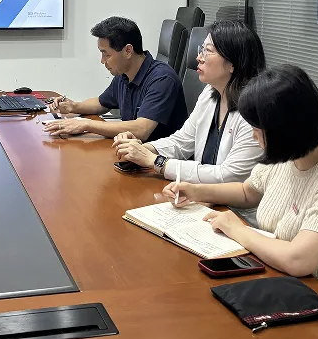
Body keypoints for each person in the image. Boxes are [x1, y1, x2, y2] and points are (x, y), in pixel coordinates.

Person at [161, 65, 318, 310]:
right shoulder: (288, 155)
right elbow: (248, 192)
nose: (253, 137)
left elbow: (298, 260)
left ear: (285, 129)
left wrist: (237, 229)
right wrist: (196, 191)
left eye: (257, 130)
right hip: (278, 282)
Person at [114, 20, 266, 223]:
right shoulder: (211, 93)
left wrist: (157, 162)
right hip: (204, 203)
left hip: (239, 217)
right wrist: (143, 149)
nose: (198, 58)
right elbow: (182, 141)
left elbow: (228, 176)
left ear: (232, 63)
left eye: (208, 51)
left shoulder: (254, 112)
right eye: (201, 50)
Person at [42, 16, 187, 140]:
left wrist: (86, 124)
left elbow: (142, 129)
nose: (102, 61)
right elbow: (101, 103)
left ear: (128, 51)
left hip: (159, 159)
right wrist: (73, 106)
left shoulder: (162, 79)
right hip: (132, 151)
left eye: (106, 54)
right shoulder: (124, 74)